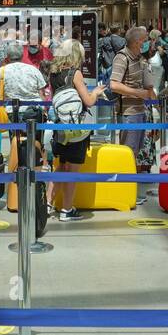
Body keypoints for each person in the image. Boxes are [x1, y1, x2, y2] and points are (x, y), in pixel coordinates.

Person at [48, 39, 105, 222]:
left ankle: (47, 204)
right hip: (76, 129)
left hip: (60, 127)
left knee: (60, 166)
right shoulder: (75, 73)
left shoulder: (54, 73)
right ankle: (66, 210)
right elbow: (88, 101)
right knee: (72, 169)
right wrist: (96, 92)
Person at [109, 25, 155, 170]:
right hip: (129, 112)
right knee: (127, 152)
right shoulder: (122, 58)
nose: (147, 42)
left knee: (134, 152)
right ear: (137, 42)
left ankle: (130, 185)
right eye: (144, 40)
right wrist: (138, 93)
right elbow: (114, 85)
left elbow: (147, 85)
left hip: (140, 110)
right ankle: (125, 184)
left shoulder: (139, 58)